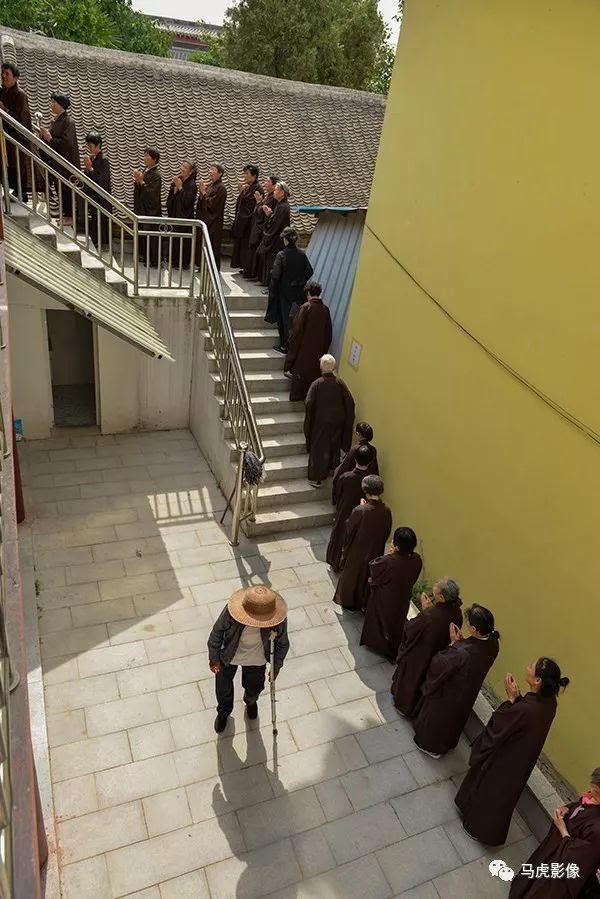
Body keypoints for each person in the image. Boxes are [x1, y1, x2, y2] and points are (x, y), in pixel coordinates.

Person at [455, 657, 570, 846]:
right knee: (502, 796)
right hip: (520, 759)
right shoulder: (549, 703)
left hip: (505, 758)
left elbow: (501, 725)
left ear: (537, 680)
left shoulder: (527, 708)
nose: (528, 666)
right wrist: (518, 699)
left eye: (531, 666)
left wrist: (510, 700)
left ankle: (477, 828)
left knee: (490, 791)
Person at [412, 604, 500, 758]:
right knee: (454, 721)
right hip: (468, 692)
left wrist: (454, 644)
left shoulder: (462, 652)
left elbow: (440, 663)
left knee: (438, 718)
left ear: (473, 629)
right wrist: (462, 642)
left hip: (449, 693)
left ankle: (430, 746)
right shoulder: (493, 644)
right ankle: (446, 745)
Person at [206, 584, 289, 734]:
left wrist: (276, 667)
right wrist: (214, 657)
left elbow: (283, 643)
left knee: (255, 689)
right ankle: (223, 712)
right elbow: (217, 632)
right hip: (229, 655)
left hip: (257, 659)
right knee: (223, 688)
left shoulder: (277, 619)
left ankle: (250, 701)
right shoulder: (232, 611)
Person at [510, 768, 600, 898]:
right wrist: (567, 809)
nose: (591, 793)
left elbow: (582, 857)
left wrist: (563, 830)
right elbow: (581, 805)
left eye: (596, 792)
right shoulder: (594, 799)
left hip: (562, 867)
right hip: (555, 848)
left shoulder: (597, 827)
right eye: (592, 788)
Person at [391, 578, 464, 718]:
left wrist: (425, 611)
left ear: (441, 597)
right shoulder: (457, 613)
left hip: (420, 654)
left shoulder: (431, 615)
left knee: (412, 679)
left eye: (437, 586)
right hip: (437, 654)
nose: (434, 586)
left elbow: (410, 628)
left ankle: (403, 706)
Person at [359, 526, 423, 661]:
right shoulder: (417, 559)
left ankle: (379, 645)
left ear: (397, 546)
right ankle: (392, 647)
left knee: (380, 621)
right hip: (403, 597)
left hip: (385, 597)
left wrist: (392, 554)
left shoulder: (389, 561)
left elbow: (374, 568)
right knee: (396, 621)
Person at [333, 475, 393, 612]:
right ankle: (363, 603)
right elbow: (387, 530)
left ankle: (349, 602)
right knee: (367, 577)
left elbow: (349, 529)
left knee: (353, 576)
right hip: (375, 549)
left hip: (358, 550)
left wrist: (361, 507)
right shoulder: (386, 510)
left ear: (365, 490)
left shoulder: (360, 510)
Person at [304, 354, 355, 488]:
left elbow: (309, 403)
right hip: (338, 421)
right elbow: (350, 402)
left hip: (321, 421)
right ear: (334, 367)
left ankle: (316, 478)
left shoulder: (317, 383)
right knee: (334, 445)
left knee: (319, 449)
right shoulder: (340, 383)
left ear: (321, 367)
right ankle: (332, 468)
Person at [326, 444, 375, 572]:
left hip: (344, 511)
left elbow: (337, 492)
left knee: (340, 536)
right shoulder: (371, 480)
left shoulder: (346, 477)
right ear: (370, 461)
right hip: (362, 515)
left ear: (355, 459)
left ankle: (335, 561)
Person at [266, 228, 315, 354]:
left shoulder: (281, 255)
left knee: (284, 319)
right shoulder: (301, 254)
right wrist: (301, 280)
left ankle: (284, 346)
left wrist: (272, 289)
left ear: (286, 240)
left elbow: (275, 275)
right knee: (297, 319)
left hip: (285, 292)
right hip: (299, 292)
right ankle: (296, 346)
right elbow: (310, 271)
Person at [284, 281, 332, 399]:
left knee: (300, 378)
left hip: (303, 351)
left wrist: (289, 362)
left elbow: (297, 332)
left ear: (308, 293)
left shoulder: (306, 308)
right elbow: (328, 334)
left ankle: (297, 397)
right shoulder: (325, 310)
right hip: (318, 352)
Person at [39, 92, 80, 225]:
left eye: (54, 102)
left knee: (66, 190)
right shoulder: (56, 121)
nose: (52, 105)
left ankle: (70, 216)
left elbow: (68, 144)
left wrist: (50, 138)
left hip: (66, 163)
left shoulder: (68, 122)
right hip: (57, 163)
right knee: (59, 189)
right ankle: (65, 214)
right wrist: (45, 136)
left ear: (61, 105)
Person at [0, 62, 32, 203]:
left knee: (17, 166)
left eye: (7, 74)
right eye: (3, 73)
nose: (4, 76)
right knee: (6, 165)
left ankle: (21, 193)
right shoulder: (2, 92)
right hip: (4, 136)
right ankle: (10, 191)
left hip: (16, 138)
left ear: (16, 77)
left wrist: (5, 110)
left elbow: (23, 120)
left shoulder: (20, 95)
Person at [82, 131, 112, 254]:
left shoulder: (104, 160)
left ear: (98, 145)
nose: (89, 148)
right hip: (93, 197)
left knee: (102, 222)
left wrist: (90, 168)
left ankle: (103, 244)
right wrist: (88, 169)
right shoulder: (93, 158)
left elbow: (102, 181)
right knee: (95, 220)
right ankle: (96, 242)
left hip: (101, 199)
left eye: (91, 145)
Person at [332, 422, 379, 498]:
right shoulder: (373, 449)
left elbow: (344, 467)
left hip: (354, 483)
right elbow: (375, 468)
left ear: (358, 434)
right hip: (367, 484)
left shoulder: (355, 449)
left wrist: (336, 480)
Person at [132, 147, 162, 265]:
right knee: (142, 233)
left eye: (147, 156)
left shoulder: (156, 175)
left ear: (154, 159)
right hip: (142, 208)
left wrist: (141, 182)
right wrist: (137, 182)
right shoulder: (145, 171)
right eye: (144, 156)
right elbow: (140, 190)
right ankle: (144, 255)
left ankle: (152, 259)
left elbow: (152, 194)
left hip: (151, 210)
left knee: (151, 235)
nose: (145, 158)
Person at [258, 180, 291, 285]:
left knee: (273, 263)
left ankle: (271, 285)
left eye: (276, 190)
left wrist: (267, 234)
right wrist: (269, 214)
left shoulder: (283, 207)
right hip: (274, 238)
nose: (274, 192)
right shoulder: (279, 205)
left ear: (282, 192)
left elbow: (276, 225)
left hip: (276, 240)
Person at [166, 159, 197, 269]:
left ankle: (183, 263)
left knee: (184, 242)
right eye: (182, 166)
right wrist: (174, 191)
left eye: (185, 167)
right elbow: (170, 200)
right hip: (175, 214)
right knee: (174, 240)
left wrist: (180, 188)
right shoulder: (179, 180)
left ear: (191, 171)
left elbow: (188, 202)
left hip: (185, 216)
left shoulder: (192, 185)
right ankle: (174, 260)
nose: (182, 169)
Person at [196, 162, 227, 270]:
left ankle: (212, 268)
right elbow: (202, 203)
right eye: (209, 169)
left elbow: (213, 205)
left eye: (213, 170)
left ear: (220, 173)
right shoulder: (210, 185)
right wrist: (201, 194)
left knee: (212, 245)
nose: (210, 171)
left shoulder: (221, 188)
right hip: (206, 220)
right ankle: (203, 266)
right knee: (203, 243)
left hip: (214, 221)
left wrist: (204, 193)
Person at [231, 164, 259, 270]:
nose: (245, 176)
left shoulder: (257, 189)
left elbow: (250, 206)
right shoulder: (248, 188)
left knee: (246, 246)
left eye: (247, 174)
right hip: (242, 223)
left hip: (249, 223)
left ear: (254, 176)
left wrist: (242, 193)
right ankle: (242, 266)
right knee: (241, 246)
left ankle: (247, 268)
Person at [242, 184, 266, 280]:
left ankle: (254, 274)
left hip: (260, 230)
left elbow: (262, 214)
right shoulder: (266, 199)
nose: (265, 183)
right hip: (256, 227)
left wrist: (259, 203)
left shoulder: (273, 201)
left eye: (268, 181)